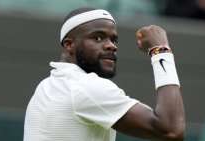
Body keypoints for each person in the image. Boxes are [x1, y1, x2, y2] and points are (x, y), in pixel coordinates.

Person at [23, 7, 185, 141]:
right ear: (69, 45)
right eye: (98, 38)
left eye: (114, 40)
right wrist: (161, 51)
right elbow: (170, 130)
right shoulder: (84, 87)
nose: (111, 46)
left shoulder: (47, 86)